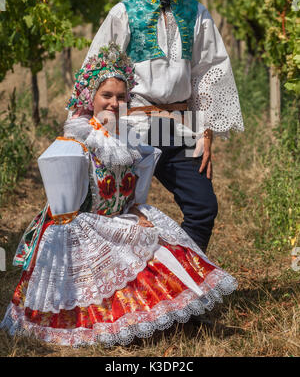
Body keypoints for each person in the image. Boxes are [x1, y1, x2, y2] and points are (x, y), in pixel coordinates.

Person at [0, 43, 237, 347]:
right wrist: (110, 229)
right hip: (83, 229)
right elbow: (64, 218)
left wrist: (137, 215)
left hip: (119, 219)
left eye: (121, 97)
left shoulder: (130, 141)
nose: (113, 103)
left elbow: (133, 196)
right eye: (106, 96)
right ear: (91, 98)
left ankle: (172, 318)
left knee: (164, 244)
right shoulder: (75, 144)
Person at [80, 0, 244, 254]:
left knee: (203, 208)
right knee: (116, 210)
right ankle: (123, 293)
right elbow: (96, 70)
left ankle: (185, 283)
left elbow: (209, 72)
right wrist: (90, 130)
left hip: (181, 125)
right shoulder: (124, 12)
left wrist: (206, 131)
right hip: (132, 124)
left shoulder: (196, 13)